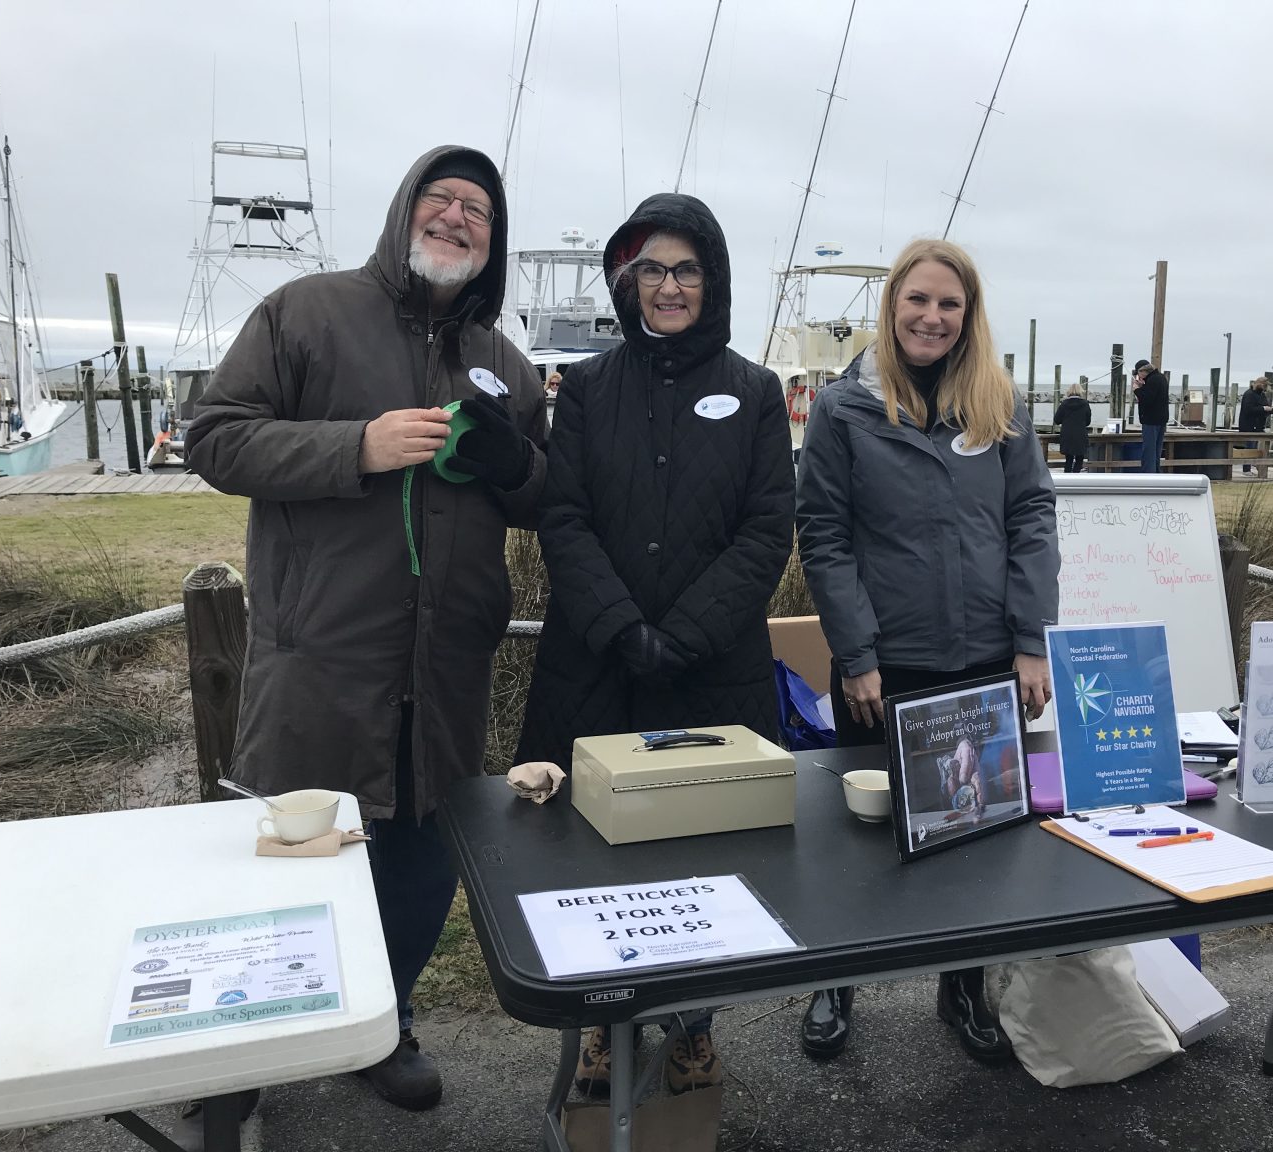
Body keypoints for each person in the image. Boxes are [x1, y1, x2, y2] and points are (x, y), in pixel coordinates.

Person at [184, 146, 547, 1137]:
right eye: (444, 197)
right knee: (290, 860)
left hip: (445, 669)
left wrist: (521, 463)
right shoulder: (306, 312)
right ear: (405, 210)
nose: (460, 217)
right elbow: (212, 434)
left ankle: (380, 1025)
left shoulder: (505, 363)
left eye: (480, 209)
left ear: (493, 240)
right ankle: (238, 1061)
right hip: (321, 657)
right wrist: (358, 445)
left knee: (422, 865)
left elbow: (544, 493)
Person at [514, 193, 794, 1097]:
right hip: (596, 664)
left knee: (703, 856)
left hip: (713, 671)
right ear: (625, 281)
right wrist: (621, 627)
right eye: (650, 270)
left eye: (685, 269)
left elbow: (766, 532)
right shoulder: (588, 388)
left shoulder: (754, 392)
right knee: (594, 852)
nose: (667, 286)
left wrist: (682, 635)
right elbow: (564, 516)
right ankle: (603, 1023)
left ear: (710, 280)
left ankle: (693, 1028)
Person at [794, 237, 1060, 1064]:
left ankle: (963, 988)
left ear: (968, 314)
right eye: (918, 300)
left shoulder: (1000, 405)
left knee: (975, 839)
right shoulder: (845, 409)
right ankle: (835, 979)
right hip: (884, 662)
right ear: (892, 305)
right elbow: (825, 535)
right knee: (858, 835)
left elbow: (1032, 521)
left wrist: (1031, 642)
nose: (932, 317)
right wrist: (858, 652)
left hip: (985, 661)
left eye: (949, 304)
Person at [1131, 359, 1169, 473]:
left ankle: (1149, 475)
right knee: (1156, 451)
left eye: (1138, 374)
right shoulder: (1161, 378)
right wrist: (1143, 387)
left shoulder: (1152, 380)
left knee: (1149, 451)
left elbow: (1147, 399)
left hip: (1151, 420)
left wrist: (1137, 390)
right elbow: (1154, 396)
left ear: (1143, 371)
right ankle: (1156, 474)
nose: (1139, 377)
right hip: (1161, 419)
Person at [1237, 376, 1273, 474]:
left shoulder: (1262, 395)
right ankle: (1246, 469)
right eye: (1265, 385)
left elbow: (1264, 406)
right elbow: (1248, 409)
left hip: (1258, 426)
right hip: (1248, 426)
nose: (1266, 388)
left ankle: (1257, 465)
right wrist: (1263, 409)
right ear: (1261, 385)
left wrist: (1269, 410)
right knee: (1250, 447)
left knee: (1258, 447)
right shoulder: (1249, 394)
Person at [1054, 382, 1091, 472]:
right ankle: (1076, 476)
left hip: (1067, 434)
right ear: (1080, 392)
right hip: (1080, 434)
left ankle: (1067, 477)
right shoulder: (1085, 404)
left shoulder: (1064, 404)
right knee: (1080, 458)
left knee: (1068, 459)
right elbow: (1088, 421)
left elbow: (1057, 420)